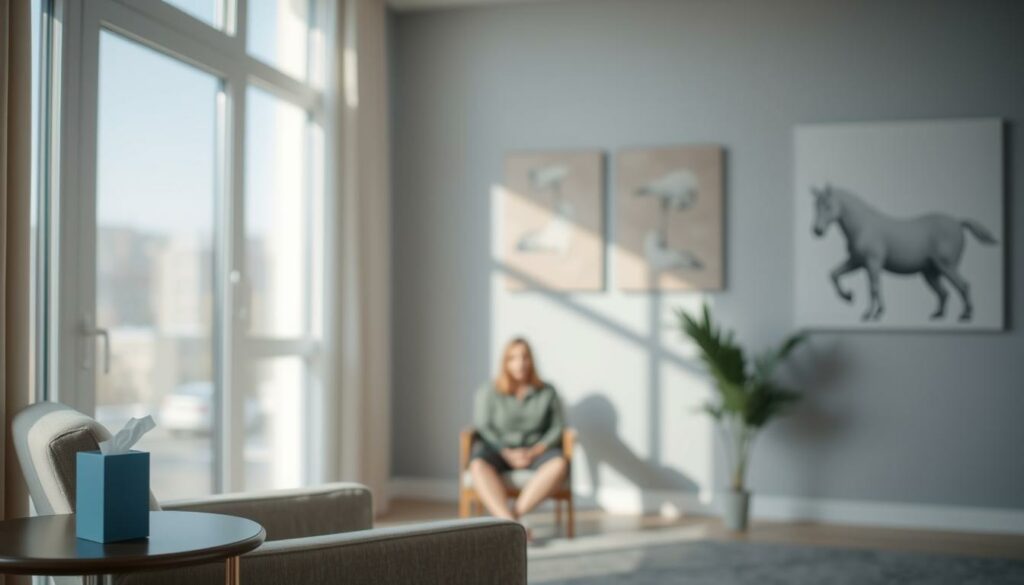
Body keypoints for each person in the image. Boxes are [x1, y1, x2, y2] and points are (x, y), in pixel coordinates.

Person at [469, 337, 568, 535]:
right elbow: (483, 427)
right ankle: (512, 526)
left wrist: (535, 451)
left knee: (559, 464)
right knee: (477, 465)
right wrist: (505, 452)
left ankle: (512, 520)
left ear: (531, 360)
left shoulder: (547, 392)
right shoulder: (489, 391)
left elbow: (557, 428)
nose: (520, 363)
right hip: (499, 450)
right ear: (505, 362)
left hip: (536, 450)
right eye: (513, 358)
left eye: (525, 357)